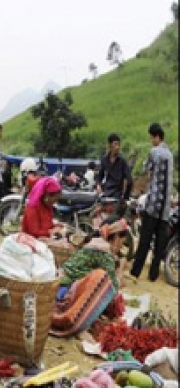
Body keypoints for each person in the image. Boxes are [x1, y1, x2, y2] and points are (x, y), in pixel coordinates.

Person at [51, 216, 130, 337]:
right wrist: (121, 267)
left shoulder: (95, 244)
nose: (121, 245)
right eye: (122, 240)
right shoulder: (103, 252)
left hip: (59, 285)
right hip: (64, 293)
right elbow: (114, 286)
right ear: (115, 237)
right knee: (103, 280)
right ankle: (74, 317)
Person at [130, 123, 174, 282]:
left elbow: (146, 171)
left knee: (145, 240)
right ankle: (153, 275)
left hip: (153, 204)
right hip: (165, 209)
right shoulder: (170, 154)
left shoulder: (154, 152)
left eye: (151, 137)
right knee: (160, 244)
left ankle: (135, 272)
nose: (150, 140)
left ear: (156, 136)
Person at [96, 133, 132, 212]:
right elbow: (100, 176)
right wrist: (98, 185)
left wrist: (125, 197)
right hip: (106, 193)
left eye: (119, 144)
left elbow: (129, 181)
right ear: (109, 145)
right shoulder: (104, 159)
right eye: (115, 144)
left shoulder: (122, 161)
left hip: (117, 196)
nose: (117, 147)